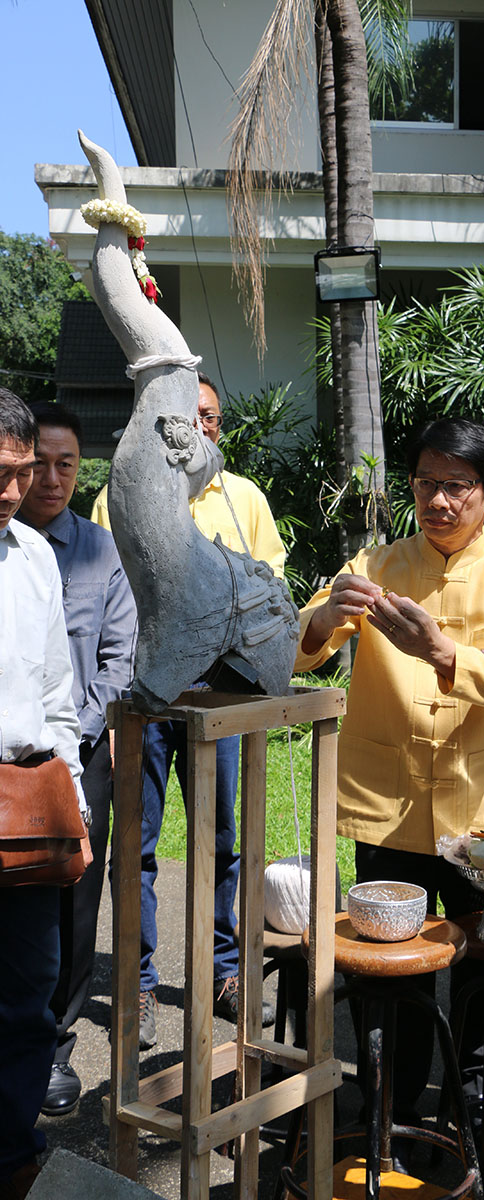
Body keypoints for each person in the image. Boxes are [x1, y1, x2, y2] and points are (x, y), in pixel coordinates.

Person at [294, 417, 484, 1151]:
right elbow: (301, 651)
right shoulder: (375, 564)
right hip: (387, 805)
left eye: (456, 486)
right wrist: (322, 619)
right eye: (425, 483)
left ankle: (476, 1093)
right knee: (390, 965)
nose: (438, 501)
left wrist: (442, 651)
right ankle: (391, 1094)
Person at [93, 372, 286, 1049]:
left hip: (224, 696)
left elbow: (270, 589)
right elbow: (112, 596)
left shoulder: (244, 498)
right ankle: (137, 984)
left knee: (223, 838)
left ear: (217, 426)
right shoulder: (120, 496)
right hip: (146, 696)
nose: (197, 427)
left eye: (208, 417)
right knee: (134, 844)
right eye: (186, 416)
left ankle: (225, 972)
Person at [16, 402, 136, 1117]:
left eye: (67, 465)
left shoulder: (100, 550)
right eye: (40, 465)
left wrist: (78, 733)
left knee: (74, 897)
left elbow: (119, 659)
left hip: (79, 754)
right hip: (9, 753)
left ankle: (55, 1043)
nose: (52, 479)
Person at [0, 389, 85, 1199]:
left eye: (20, 472)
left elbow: (59, 693)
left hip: (25, 808)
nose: (12, 489)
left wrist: (74, 800)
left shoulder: (34, 556)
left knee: (29, 995)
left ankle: (12, 1154)